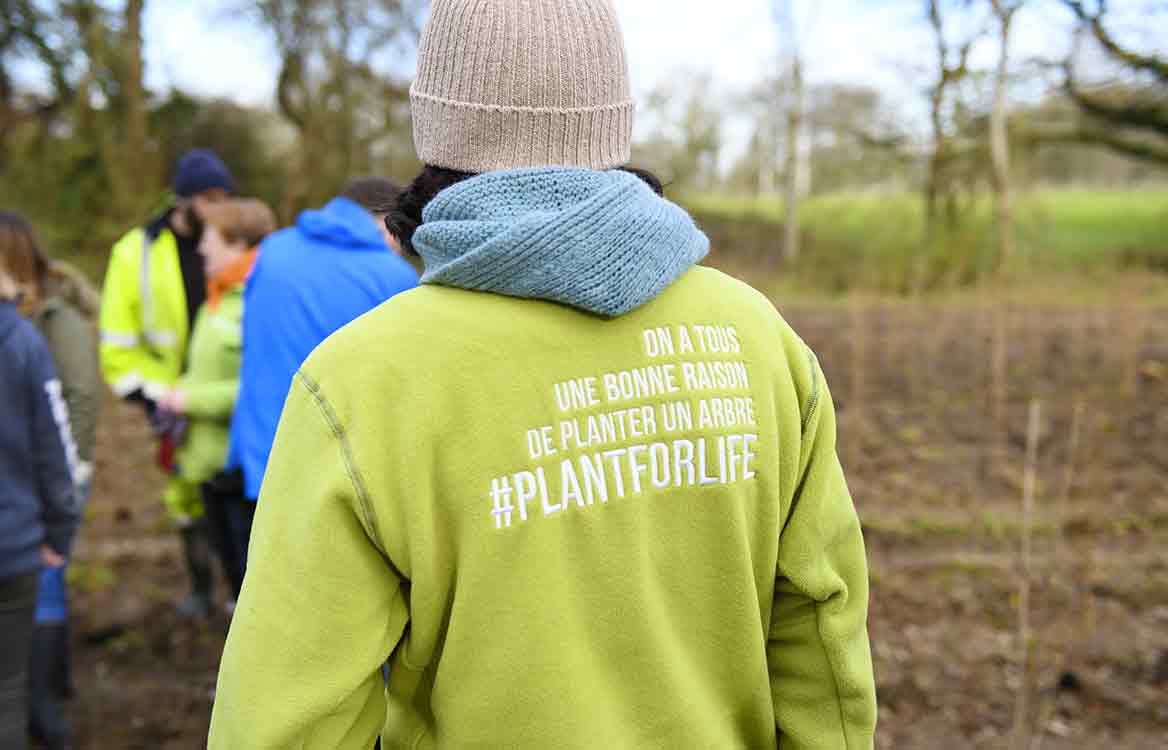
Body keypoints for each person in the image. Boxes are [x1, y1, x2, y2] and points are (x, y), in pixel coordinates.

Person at [210, 1, 877, 748]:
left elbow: (287, 723)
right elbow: (823, 636)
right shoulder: (759, 340)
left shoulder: (359, 381)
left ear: (436, 125)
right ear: (612, 119)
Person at [221, 178, 417, 574]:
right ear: (379, 221)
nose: (399, 244)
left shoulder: (272, 251)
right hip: (335, 476)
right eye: (395, 231)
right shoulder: (392, 277)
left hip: (258, 457)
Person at [98, 149, 235, 616]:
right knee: (184, 495)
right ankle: (200, 588)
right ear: (183, 199)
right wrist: (158, 396)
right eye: (208, 199)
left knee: (234, 490)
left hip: (223, 396)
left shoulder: (232, 243)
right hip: (170, 398)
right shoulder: (133, 253)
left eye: (224, 198)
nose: (217, 208)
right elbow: (117, 341)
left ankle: (237, 588)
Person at [0, 212, 100, 750]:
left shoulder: (52, 321)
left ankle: (49, 698)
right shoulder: (22, 330)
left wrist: (73, 473)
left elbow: (79, 397)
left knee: (47, 595)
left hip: (45, 484)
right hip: (26, 498)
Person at [154, 199, 277, 614]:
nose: (201, 248)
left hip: (240, 472)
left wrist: (190, 400)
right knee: (236, 583)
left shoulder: (256, 303)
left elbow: (259, 388)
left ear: (238, 244)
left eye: (209, 238)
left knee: (254, 589)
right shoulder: (217, 298)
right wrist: (180, 387)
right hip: (208, 466)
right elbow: (205, 370)